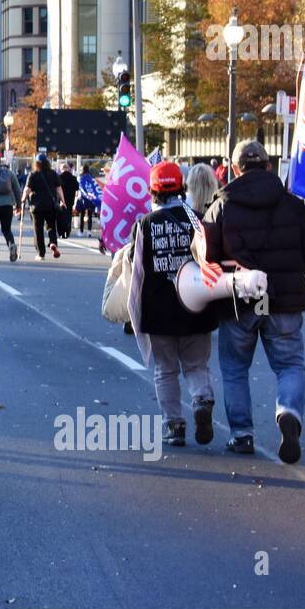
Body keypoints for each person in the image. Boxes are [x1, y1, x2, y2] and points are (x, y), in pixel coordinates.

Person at [202, 139, 305, 462]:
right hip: (284, 300)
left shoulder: (222, 205)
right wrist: (291, 269)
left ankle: (241, 435)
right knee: (290, 364)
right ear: (268, 166)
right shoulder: (292, 204)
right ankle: (289, 413)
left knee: (234, 369)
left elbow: (207, 257)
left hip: (239, 300)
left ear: (235, 168)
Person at [132, 162, 219, 447]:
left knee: (165, 369)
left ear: (152, 191)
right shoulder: (196, 219)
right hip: (196, 306)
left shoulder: (144, 224)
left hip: (159, 311)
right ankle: (201, 399)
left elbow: (137, 273)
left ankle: (174, 426)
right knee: (196, 365)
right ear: (181, 187)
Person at [23, 153, 65, 260]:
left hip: (37, 206)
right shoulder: (53, 174)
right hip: (50, 205)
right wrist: (63, 201)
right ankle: (52, 242)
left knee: (38, 229)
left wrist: (22, 200)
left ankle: (41, 253)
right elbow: (59, 189)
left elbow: (27, 189)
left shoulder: (33, 174)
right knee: (51, 226)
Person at [58, 162, 80, 238]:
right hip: (70, 200)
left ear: (61, 169)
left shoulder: (59, 177)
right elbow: (77, 188)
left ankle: (61, 232)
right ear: (68, 169)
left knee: (61, 216)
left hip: (61, 200)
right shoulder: (73, 178)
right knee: (69, 216)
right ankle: (67, 231)